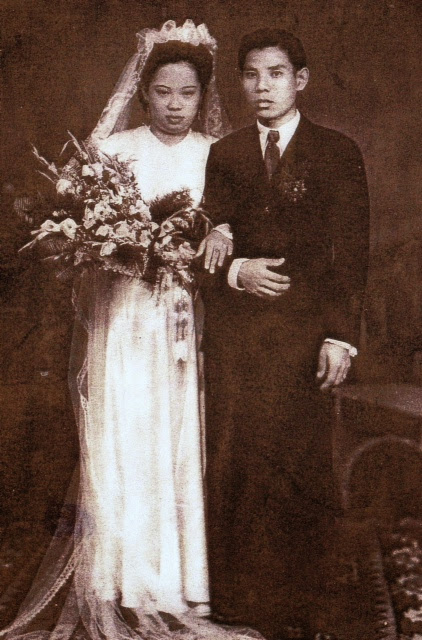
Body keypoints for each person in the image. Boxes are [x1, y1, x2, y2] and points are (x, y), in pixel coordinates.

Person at [0, 20, 261, 640]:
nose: (175, 106)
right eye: (164, 92)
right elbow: (86, 241)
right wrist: (118, 246)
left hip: (181, 316)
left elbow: (229, 236)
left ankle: (183, 578)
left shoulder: (215, 155)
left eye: (189, 93)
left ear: (204, 96)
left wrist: (195, 249)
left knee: (178, 432)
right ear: (144, 92)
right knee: (127, 427)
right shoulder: (114, 151)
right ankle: (121, 572)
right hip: (124, 317)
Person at [199, 28, 370, 640]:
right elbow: (203, 247)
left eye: (274, 74)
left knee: (298, 464)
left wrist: (340, 338)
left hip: (305, 336)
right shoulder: (226, 153)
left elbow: (352, 255)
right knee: (238, 461)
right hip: (238, 337)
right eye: (250, 74)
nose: (261, 87)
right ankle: (239, 600)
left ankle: (302, 602)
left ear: (300, 80)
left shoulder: (336, 151)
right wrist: (235, 269)